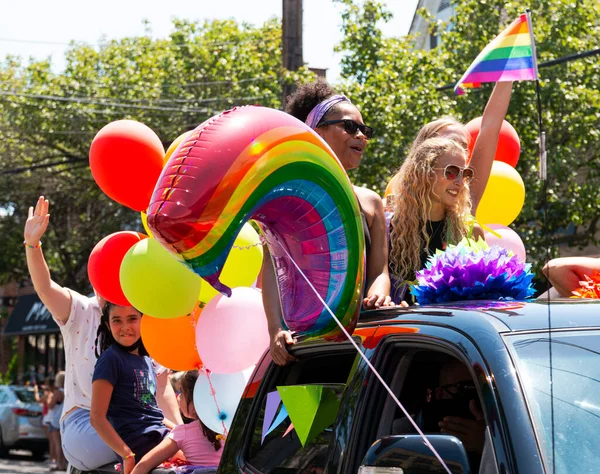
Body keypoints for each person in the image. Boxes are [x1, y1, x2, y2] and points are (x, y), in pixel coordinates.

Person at [24, 196, 180, 471]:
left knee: (177, 443)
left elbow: (161, 388)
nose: (124, 326)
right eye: (116, 320)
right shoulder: (81, 310)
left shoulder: (147, 321)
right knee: (154, 441)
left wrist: (181, 437)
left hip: (135, 424)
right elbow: (45, 288)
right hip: (87, 426)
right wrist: (33, 245)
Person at [264, 79, 393, 366]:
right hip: (304, 348)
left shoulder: (371, 202)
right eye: (349, 127)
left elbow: (379, 273)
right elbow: (273, 267)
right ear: (315, 132)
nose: (361, 135)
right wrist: (275, 329)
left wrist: (378, 296)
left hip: (361, 344)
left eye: (365, 130)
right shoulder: (288, 198)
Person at [388, 82, 513, 303]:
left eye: (464, 147)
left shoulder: (464, 218)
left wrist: (510, 70)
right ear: (424, 159)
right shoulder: (387, 218)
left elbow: (491, 128)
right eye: (446, 143)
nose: (458, 152)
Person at [90, 302, 169, 474]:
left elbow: (152, 412)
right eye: (117, 321)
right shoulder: (110, 359)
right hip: (139, 442)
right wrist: (127, 455)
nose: (125, 327)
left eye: (132, 319)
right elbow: (96, 417)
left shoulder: (147, 360)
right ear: (107, 325)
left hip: (158, 435)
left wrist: (182, 431)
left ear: (144, 320)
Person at [131, 370, 223, 474]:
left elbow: (143, 464)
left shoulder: (183, 432)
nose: (178, 397)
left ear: (194, 402)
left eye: (182, 393)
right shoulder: (231, 429)